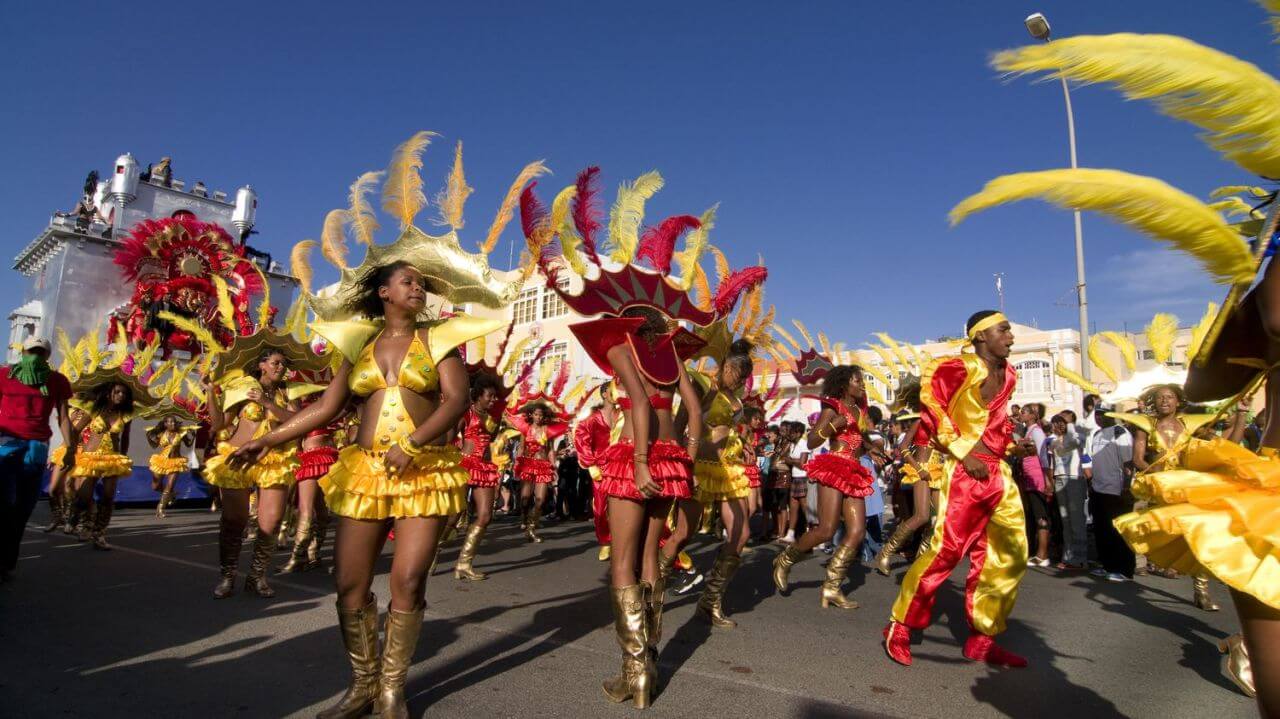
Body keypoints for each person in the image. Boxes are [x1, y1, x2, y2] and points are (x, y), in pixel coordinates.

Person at [570, 304, 703, 709]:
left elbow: (640, 406)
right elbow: (694, 412)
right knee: (649, 555)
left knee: (622, 562)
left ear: (626, 322)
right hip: (672, 459)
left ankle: (636, 669)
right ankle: (649, 663)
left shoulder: (619, 348)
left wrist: (641, 461)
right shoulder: (671, 355)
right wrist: (687, 462)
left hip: (635, 456)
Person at [884, 310, 1028, 668]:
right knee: (945, 552)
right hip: (963, 476)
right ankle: (900, 626)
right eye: (1004, 330)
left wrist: (1011, 446)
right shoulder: (955, 368)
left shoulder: (1008, 374)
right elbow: (934, 411)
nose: (1011, 336)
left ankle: (983, 637)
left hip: (998, 475)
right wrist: (964, 454)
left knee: (1006, 554)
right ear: (981, 336)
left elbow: (996, 423)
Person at [203, 347, 304, 596]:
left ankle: (257, 577)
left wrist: (267, 403)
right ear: (262, 365)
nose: (281, 367)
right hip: (239, 457)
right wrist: (209, 392)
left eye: (284, 364)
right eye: (276, 363)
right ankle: (227, 576)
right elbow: (219, 424)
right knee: (234, 521)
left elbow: (297, 423)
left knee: (270, 523)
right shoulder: (242, 387)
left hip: (275, 461)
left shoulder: (288, 393)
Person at [773, 365, 873, 609]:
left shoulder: (859, 410)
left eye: (862, 381)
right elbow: (812, 440)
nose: (862, 385)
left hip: (854, 469)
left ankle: (831, 587)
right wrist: (832, 426)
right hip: (834, 466)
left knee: (857, 531)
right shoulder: (833, 406)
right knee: (826, 530)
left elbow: (858, 440)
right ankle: (785, 560)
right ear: (844, 384)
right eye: (857, 381)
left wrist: (874, 449)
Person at [0, 337, 75, 580]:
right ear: (23, 352)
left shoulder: (56, 381)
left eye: (40, 353)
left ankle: (8, 561)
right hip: (5, 443)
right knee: (4, 504)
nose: (35, 356)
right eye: (31, 351)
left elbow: (63, 417)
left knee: (23, 507)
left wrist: (71, 447)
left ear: (47, 357)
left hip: (36, 448)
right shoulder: (5, 375)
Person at [68, 379, 139, 551]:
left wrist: (123, 455)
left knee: (108, 497)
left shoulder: (126, 415)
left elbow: (126, 437)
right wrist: (73, 450)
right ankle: (78, 518)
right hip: (91, 457)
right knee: (84, 496)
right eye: (117, 392)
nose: (120, 395)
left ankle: (99, 534)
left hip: (112, 459)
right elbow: (75, 429)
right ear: (109, 393)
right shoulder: (95, 409)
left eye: (124, 393)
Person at [283, 391, 341, 574]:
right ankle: (313, 554)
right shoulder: (330, 400)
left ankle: (297, 558)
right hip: (330, 455)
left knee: (306, 509)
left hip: (311, 456)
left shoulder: (297, 402)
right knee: (322, 510)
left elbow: (294, 428)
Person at [455, 371, 505, 581]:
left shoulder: (492, 417)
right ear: (477, 395)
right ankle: (435, 550)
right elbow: (449, 438)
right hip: (464, 465)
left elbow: (491, 441)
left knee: (485, 516)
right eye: (490, 396)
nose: (493, 400)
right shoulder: (466, 413)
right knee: (452, 518)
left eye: (495, 396)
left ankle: (464, 564)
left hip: (483, 467)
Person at [1083, 409, 1133, 582]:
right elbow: (1089, 459)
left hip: (1116, 489)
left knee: (1117, 531)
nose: (1100, 417)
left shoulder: (1120, 432)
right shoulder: (1097, 434)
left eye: (1104, 414)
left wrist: (1126, 488)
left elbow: (1128, 463)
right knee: (1102, 530)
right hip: (1098, 488)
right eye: (1097, 414)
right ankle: (1108, 566)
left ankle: (1125, 570)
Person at [574, 384, 618, 562]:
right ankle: (605, 542)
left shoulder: (624, 415)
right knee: (600, 508)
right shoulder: (593, 418)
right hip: (600, 469)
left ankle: (622, 542)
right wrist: (590, 464)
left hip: (622, 468)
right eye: (615, 389)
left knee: (622, 507)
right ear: (605, 394)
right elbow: (580, 437)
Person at [1048, 413, 1086, 570]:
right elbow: (1052, 464)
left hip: (1074, 478)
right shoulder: (1054, 441)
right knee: (1065, 520)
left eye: (1063, 422)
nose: (1060, 424)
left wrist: (1070, 424)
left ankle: (1080, 558)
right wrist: (1050, 482)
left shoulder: (1078, 436)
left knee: (1076, 520)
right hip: (1060, 479)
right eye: (1057, 422)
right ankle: (1068, 556)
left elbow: (1077, 442)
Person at [1015, 404, 1051, 567]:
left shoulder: (1036, 431)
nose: (1020, 414)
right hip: (1027, 477)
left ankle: (1042, 554)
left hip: (1037, 477)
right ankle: (1033, 550)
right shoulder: (1026, 431)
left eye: (1024, 412)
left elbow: (1043, 455)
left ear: (1032, 416)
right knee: (1031, 515)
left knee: (1040, 514)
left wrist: (1047, 479)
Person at [146, 414, 195, 519]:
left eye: (174, 422)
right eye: (170, 422)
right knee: (155, 486)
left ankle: (160, 508)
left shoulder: (181, 433)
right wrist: (148, 437)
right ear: (165, 424)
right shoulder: (161, 433)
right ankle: (171, 494)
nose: (172, 424)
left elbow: (188, 444)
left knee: (170, 485)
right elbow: (154, 445)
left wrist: (193, 436)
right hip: (161, 461)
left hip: (175, 462)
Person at [781, 421, 811, 543]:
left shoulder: (804, 444)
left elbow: (802, 464)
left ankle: (811, 530)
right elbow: (783, 456)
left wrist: (790, 460)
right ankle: (791, 533)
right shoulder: (792, 444)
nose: (789, 434)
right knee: (793, 506)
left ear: (798, 433)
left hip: (803, 477)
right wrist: (792, 459)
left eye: (791, 432)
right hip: (794, 477)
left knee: (805, 506)